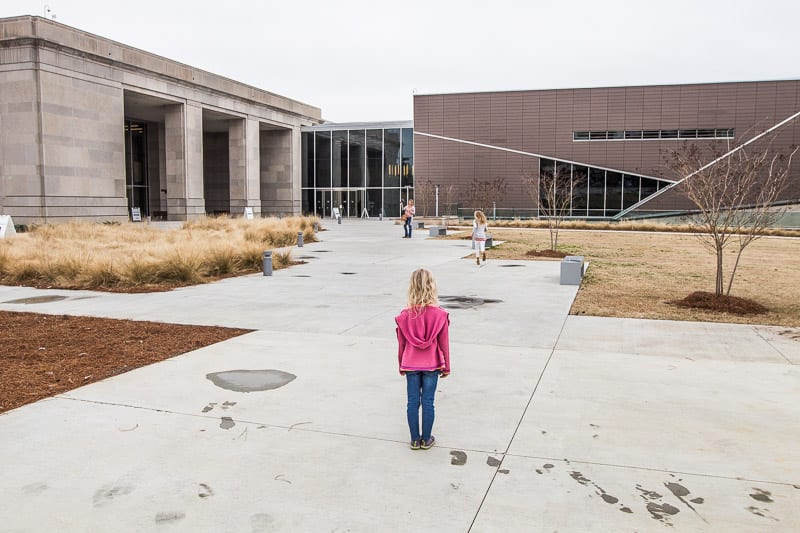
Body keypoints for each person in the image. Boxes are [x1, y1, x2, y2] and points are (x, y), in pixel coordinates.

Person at [395, 268, 450, 450]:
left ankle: (414, 440)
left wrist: (401, 364)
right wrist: (446, 366)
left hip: (410, 363)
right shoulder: (440, 315)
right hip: (432, 365)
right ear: (431, 286)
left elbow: (401, 344)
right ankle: (426, 439)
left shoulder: (404, 316)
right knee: (428, 402)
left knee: (412, 402)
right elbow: (444, 344)